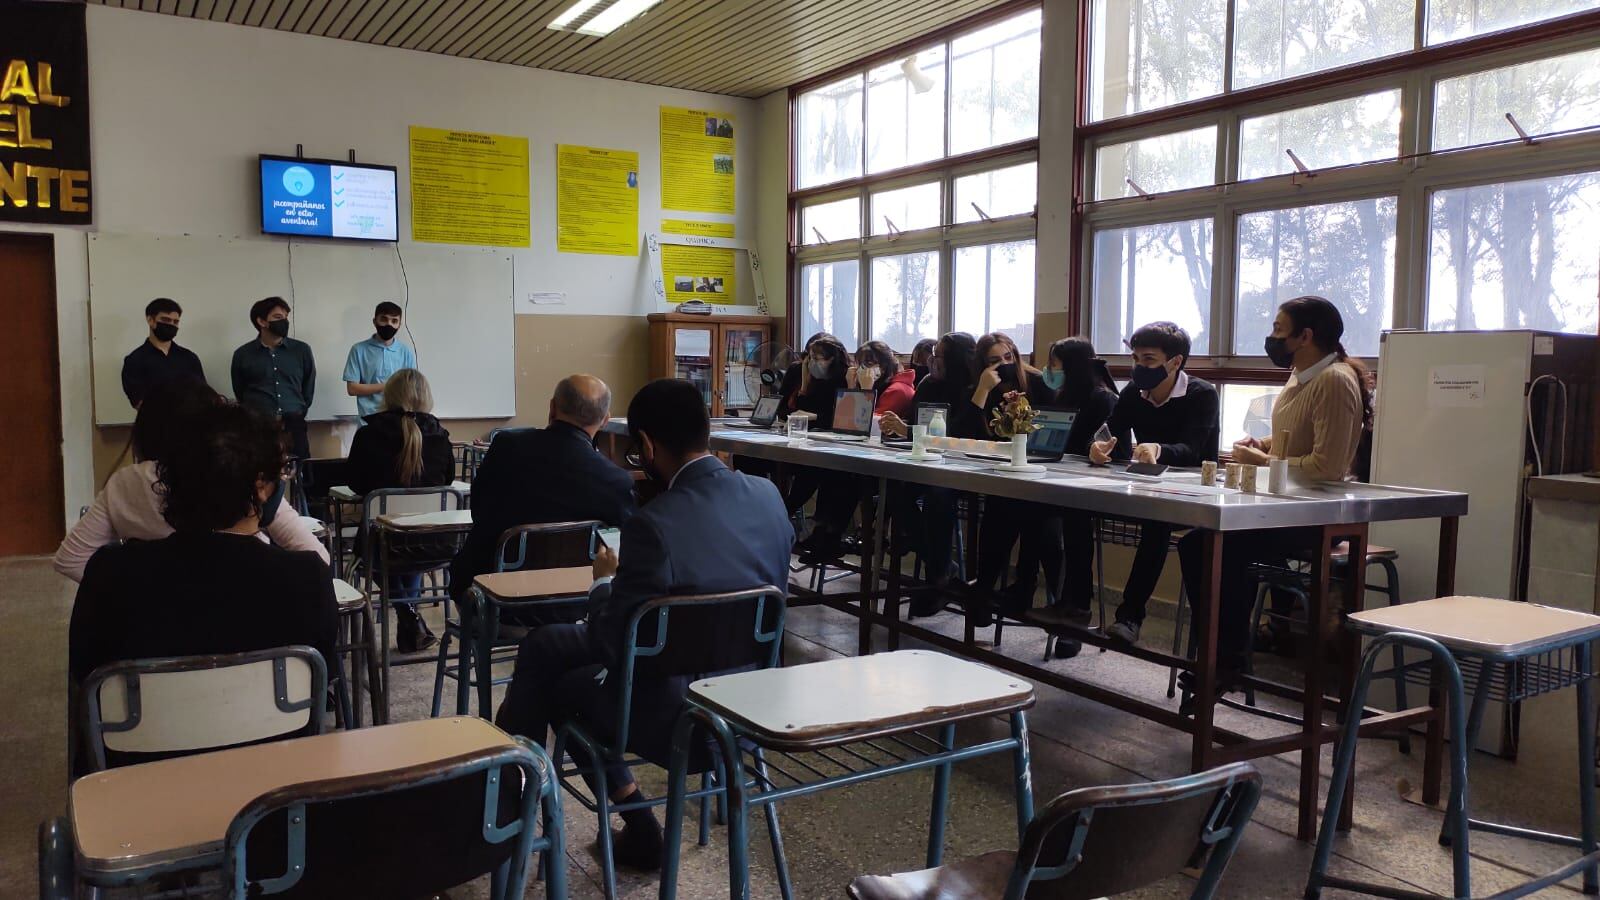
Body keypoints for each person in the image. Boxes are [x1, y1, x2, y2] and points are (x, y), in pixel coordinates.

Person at [494, 379, 792, 870]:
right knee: (553, 655)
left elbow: (612, 642)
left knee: (562, 683)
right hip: (749, 707)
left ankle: (521, 800)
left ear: (647, 446)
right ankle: (592, 812)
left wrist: (604, 584)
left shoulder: (653, 525)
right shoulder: (768, 497)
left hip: (672, 718)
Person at [68, 401, 338, 709]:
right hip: (275, 750)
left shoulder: (109, 573)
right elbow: (320, 677)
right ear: (261, 485)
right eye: (284, 468)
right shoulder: (307, 577)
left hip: (141, 755)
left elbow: (85, 675)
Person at [1175, 296, 1368, 707]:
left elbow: (1327, 466)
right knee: (1202, 541)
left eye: (1280, 330)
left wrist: (1261, 460)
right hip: (1282, 507)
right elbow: (1293, 440)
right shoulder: (1300, 377)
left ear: (1306, 336)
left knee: (1210, 545)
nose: (1272, 337)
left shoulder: (1334, 380)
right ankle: (1228, 653)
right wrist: (1259, 444)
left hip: (1315, 516)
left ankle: (1226, 658)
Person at [54, 378, 327, 583]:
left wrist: (134, 590)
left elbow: (70, 559)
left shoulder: (125, 481)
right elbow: (314, 555)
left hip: (155, 640)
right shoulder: (237, 472)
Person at [1066, 322, 1219, 645]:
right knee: (1076, 509)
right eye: (1135, 358)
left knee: (1157, 523)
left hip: (1190, 490)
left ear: (1175, 362)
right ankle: (1076, 607)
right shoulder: (1134, 393)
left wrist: (1159, 449)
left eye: (1148, 360)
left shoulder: (1201, 394)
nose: (1139, 367)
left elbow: (1193, 449)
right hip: (1146, 484)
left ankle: (1130, 615)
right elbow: (1109, 429)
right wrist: (1097, 445)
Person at [449, 375, 636, 603]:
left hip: (488, 595)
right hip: (572, 604)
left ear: (552, 408)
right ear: (605, 420)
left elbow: (477, 509)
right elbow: (619, 549)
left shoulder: (506, 447)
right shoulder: (616, 480)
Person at [980, 338, 1121, 635]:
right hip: (1056, 482)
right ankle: (1019, 589)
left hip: (1086, 490)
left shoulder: (1102, 398)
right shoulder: (1062, 395)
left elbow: (1111, 446)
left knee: (1061, 522)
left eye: (1054, 364)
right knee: (1018, 506)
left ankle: (1071, 607)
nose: (1048, 369)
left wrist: (1092, 450)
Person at [344, 369, 455, 652]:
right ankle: (410, 623)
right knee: (411, 538)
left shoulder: (368, 436)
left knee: (383, 542)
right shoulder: (440, 436)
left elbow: (355, 483)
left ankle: (408, 615)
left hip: (382, 547)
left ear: (388, 396)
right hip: (434, 543)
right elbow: (447, 481)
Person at [879, 333, 985, 615]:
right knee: (894, 490)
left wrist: (909, 431)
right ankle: (939, 568)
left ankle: (936, 577)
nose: (931, 361)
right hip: (924, 462)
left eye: (939, 357)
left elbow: (961, 435)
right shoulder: (927, 384)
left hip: (963, 468)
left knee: (939, 495)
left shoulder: (973, 388)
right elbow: (916, 425)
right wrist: (901, 428)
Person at [794, 342, 916, 562]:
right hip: (862, 455)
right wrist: (852, 387)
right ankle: (823, 532)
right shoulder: (877, 384)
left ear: (885, 365)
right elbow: (843, 422)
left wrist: (863, 390)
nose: (862, 369)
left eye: (869, 363)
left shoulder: (897, 390)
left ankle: (830, 536)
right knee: (831, 468)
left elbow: (861, 424)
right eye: (860, 363)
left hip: (883, 466)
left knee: (841, 475)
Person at [231, 296, 316, 461]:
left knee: (300, 475)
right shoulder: (243, 354)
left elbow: (308, 386)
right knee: (261, 476)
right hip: (258, 426)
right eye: (278, 317)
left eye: (285, 318)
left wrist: (298, 410)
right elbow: (240, 390)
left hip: (293, 424)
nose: (284, 322)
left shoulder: (301, 350)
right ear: (262, 322)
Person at [121, 297, 206, 409]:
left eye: (175, 322)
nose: (171, 325)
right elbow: (139, 402)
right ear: (150, 320)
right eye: (166, 320)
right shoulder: (134, 360)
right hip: (155, 425)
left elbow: (203, 394)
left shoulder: (189, 357)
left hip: (190, 424)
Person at [342, 301, 417, 419]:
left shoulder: (405, 351)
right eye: (384, 319)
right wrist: (387, 386)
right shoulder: (358, 350)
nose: (389, 324)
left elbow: (411, 387)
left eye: (394, 321)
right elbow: (352, 388)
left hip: (398, 420)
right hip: (368, 421)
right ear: (374, 321)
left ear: (399, 325)